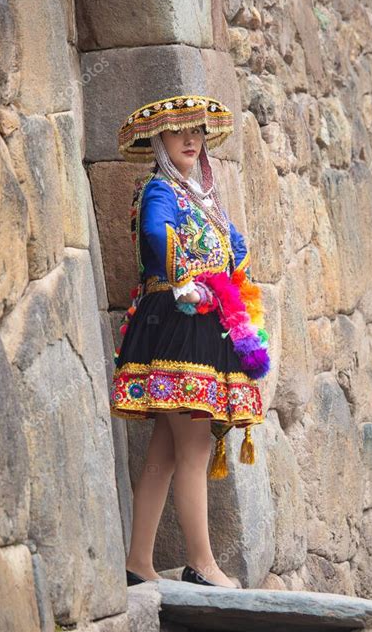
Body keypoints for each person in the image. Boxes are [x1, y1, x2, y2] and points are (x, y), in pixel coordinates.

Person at [110, 94, 270, 589]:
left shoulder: (204, 201)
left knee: (169, 449)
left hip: (202, 327)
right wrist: (197, 273)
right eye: (179, 131)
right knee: (195, 448)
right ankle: (202, 564)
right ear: (159, 140)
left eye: (196, 132)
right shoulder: (161, 191)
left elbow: (236, 251)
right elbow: (158, 239)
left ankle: (139, 559)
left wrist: (228, 265)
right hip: (179, 326)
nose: (190, 139)